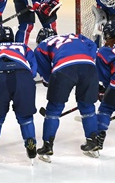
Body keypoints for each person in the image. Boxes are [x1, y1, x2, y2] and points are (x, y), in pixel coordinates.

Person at [34, 28, 101, 161]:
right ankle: (93, 143)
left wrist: (49, 82)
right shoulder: (76, 36)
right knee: (87, 106)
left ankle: (47, 147)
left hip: (64, 69)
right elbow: (93, 46)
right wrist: (87, 60)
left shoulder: (41, 46)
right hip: (89, 67)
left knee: (54, 109)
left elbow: (47, 74)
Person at [0, 26, 38, 166]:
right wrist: (27, 79)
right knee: (25, 117)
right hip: (23, 77)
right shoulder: (23, 47)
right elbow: (33, 69)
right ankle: (30, 144)